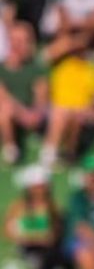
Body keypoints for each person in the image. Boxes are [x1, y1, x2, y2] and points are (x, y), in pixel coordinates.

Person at [3, 165, 75, 269]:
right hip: (29, 247)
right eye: (39, 186)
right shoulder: (19, 206)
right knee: (46, 257)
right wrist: (31, 239)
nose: (43, 190)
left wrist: (50, 237)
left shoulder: (52, 206)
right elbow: (8, 230)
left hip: (49, 247)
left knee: (62, 255)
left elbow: (57, 230)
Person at [0, 21, 48, 165]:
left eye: (21, 41)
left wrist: (33, 114)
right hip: (13, 113)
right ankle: (11, 151)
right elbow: (2, 95)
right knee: (5, 109)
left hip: (29, 116)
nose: (16, 45)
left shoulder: (36, 69)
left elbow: (41, 99)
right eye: (14, 40)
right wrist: (22, 113)